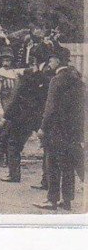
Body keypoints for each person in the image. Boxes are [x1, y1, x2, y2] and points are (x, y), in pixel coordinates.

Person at [34, 48, 85, 212]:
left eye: (52, 60)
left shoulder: (56, 80)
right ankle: (67, 201)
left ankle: (52, 200)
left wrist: (42, 128)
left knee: (53, 165)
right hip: (73, 131)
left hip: (56, 130)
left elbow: (51, 108)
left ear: (58, 61)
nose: (50, 62)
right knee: (68, 165)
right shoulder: (77, 79)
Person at [0, 64, 51, 183]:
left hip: (21, 119)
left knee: (13, 144)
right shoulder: (43, 83)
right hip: (37, 118)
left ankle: (14, 175)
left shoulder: (22, 82)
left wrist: (5, 117)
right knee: (47, 148)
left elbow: (14, 101)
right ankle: (46, 179)